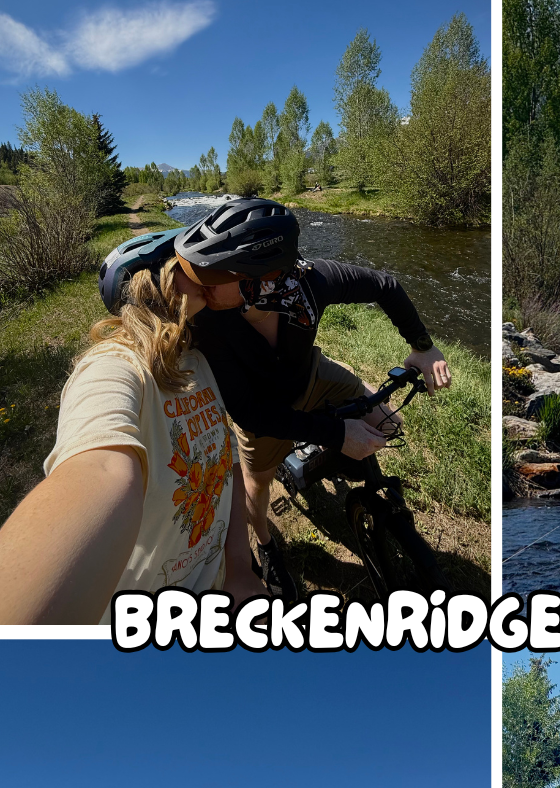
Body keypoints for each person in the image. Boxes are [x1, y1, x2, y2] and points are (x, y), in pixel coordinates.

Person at [108, 197, 453, 600]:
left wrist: (423, 347)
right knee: (258, 486)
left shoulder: (311, 282)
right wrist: (338, 433)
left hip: (311, 375)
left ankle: (320, 448)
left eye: (214, 271)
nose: (199, 279)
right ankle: (266, 542)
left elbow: (384, 285)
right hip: (261, 408)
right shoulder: (208, 316)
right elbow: (250, 413)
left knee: (388, 423)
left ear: (260, 276)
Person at [0, 259, 263, 623]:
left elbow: (228, 462)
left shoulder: (196, 362)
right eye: (189, 265)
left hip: (216, 597)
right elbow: (102, 468)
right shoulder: (113, 367)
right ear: (150, 281)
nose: (207, 274)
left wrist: (237, 564)